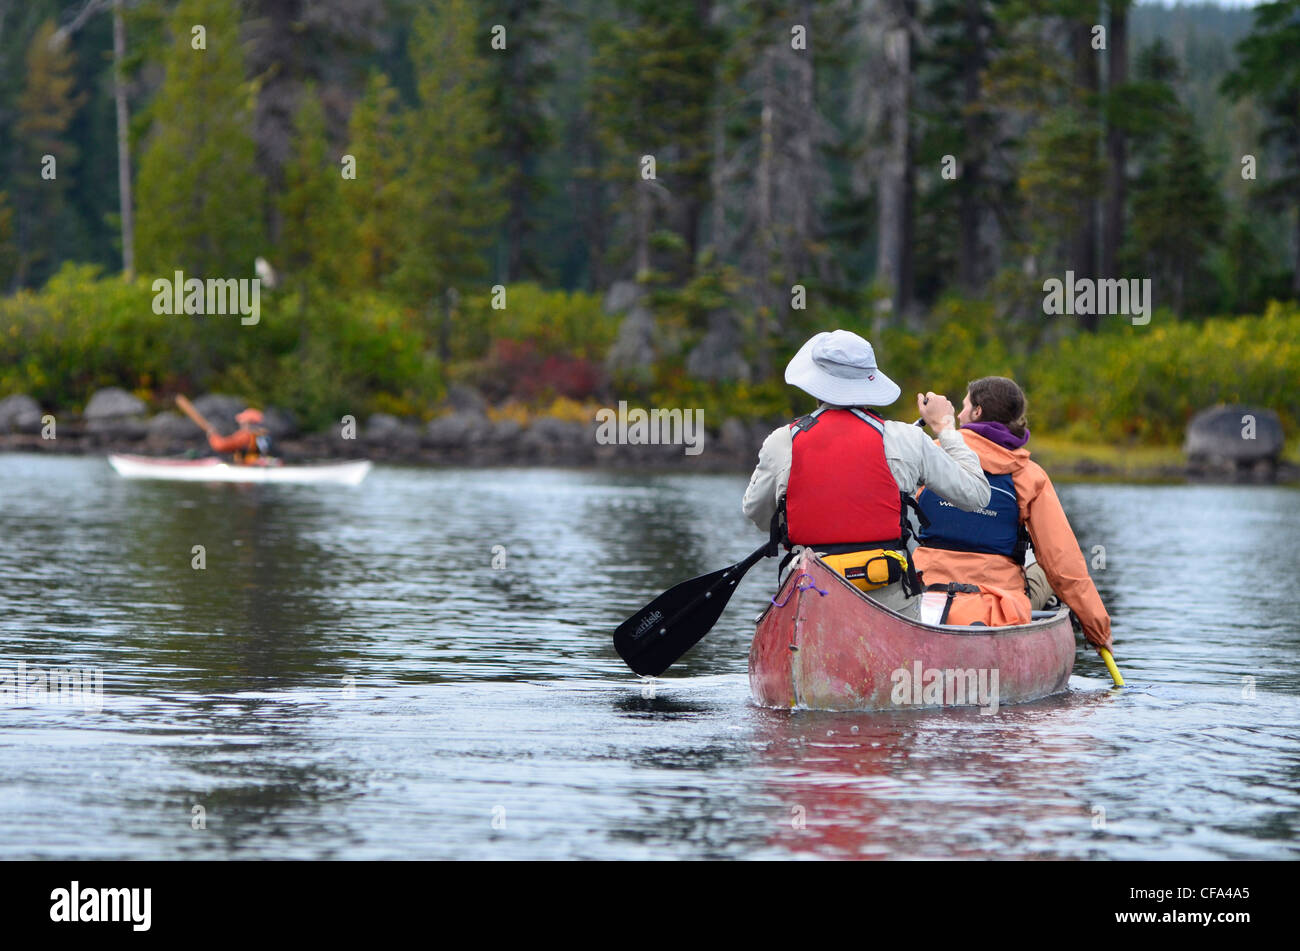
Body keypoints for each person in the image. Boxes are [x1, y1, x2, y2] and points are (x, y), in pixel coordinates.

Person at [743, 330, 991, 618]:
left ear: (815, 383)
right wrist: (947, 428)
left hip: (809, 588)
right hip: (887, 594)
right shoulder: (908, 438)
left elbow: (758, 514)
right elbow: (977, 494)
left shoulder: (781, 442)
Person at [910, 376, 1112, 651]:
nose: (958, 414)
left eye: (965, 406)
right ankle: (1051, 609)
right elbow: (1064, 566)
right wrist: (1097, 629)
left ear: (978, 412)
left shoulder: (930, 454)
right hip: (998, 607)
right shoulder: (1028, 475)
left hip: (924, 593)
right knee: (1046, 567)